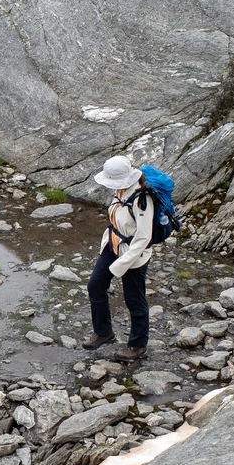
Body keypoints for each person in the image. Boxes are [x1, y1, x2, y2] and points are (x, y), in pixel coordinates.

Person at [82, 155, 155, 363]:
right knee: (95, 285)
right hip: (114, 245)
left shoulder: (142, 200)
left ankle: (138, 345)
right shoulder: (121, 190)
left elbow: (143, 238)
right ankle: (104, 333)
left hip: (134, 255)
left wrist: (122, 264)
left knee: (134, 299)